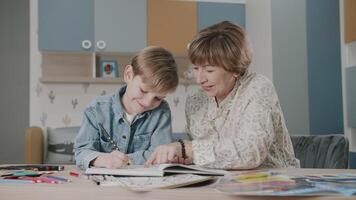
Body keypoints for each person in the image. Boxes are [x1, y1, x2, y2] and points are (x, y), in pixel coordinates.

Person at [146, 21, 300, 169]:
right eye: (196, 68)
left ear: (235, 69)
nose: (200, 79)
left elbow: (251, 152)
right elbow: (205, 158)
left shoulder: (258, 88)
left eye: (209, 70)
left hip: (275, 183)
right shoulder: (195, 101)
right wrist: (179, 157)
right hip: (221, 184)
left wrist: (188, 149)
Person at [74, 46, 179, 170]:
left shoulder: (161, 111)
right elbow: (81, 153)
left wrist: (127, 160)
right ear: (129, 75)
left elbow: (160, 155)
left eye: (158, 98)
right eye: (143, 90)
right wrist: (103, 159)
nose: (147, 102)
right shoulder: (96, 109)